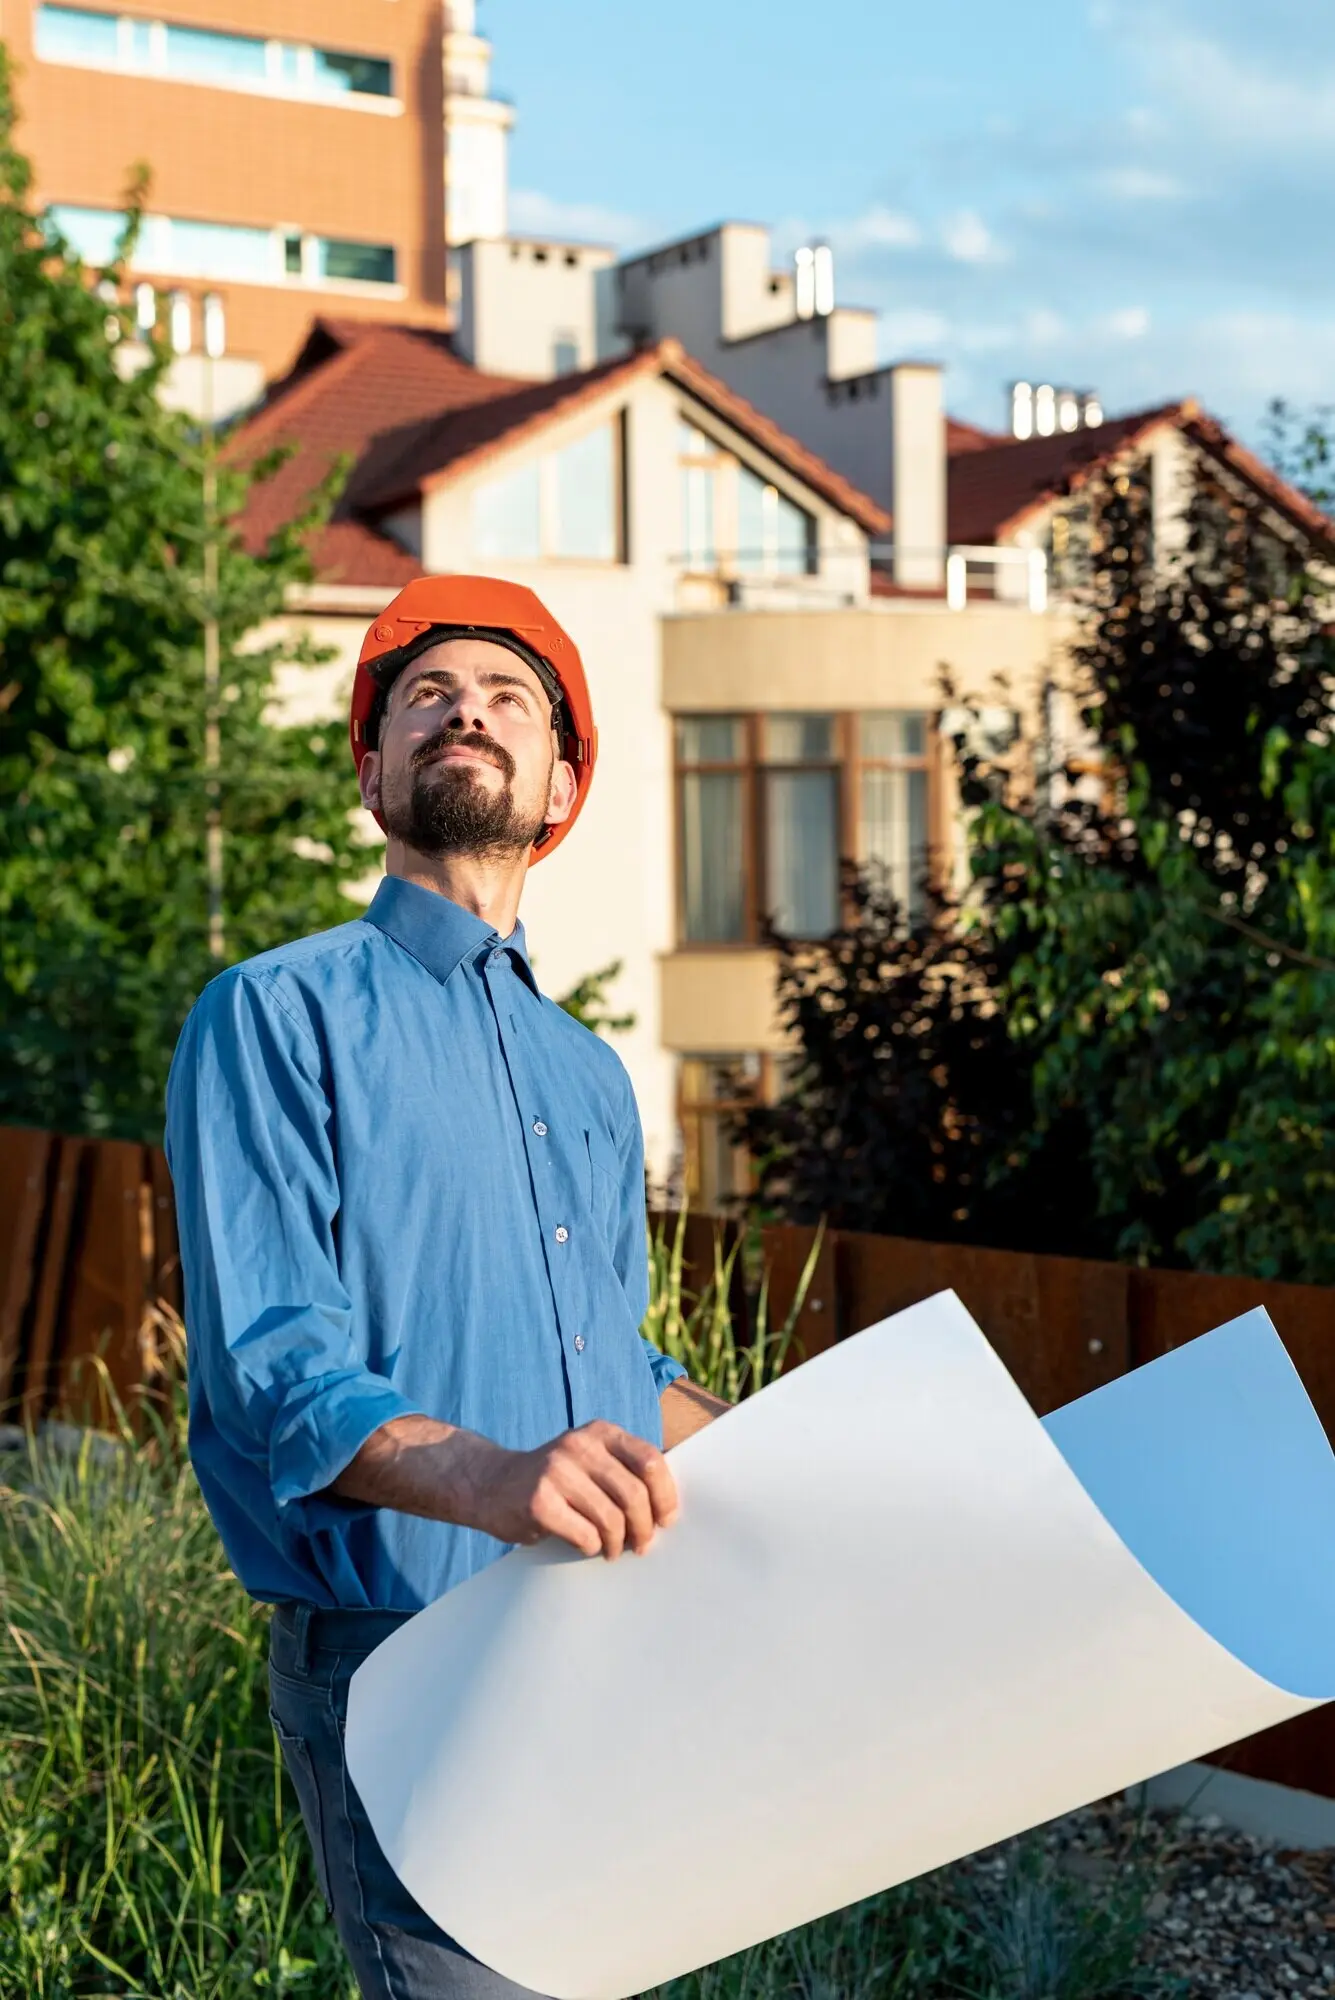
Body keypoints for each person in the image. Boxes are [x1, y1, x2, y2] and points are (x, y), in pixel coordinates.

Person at [166, 576, 728, 2000]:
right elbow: (275, 1370)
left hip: (606, 1636)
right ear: (372, 773)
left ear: (558, 784)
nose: (462, 710)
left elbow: (615, 1354)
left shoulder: (589, 1075)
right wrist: (489, 1480)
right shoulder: (273, 1013)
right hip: (407, 1661)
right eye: (424, 696)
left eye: (504, 698)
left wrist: (812, 1451)